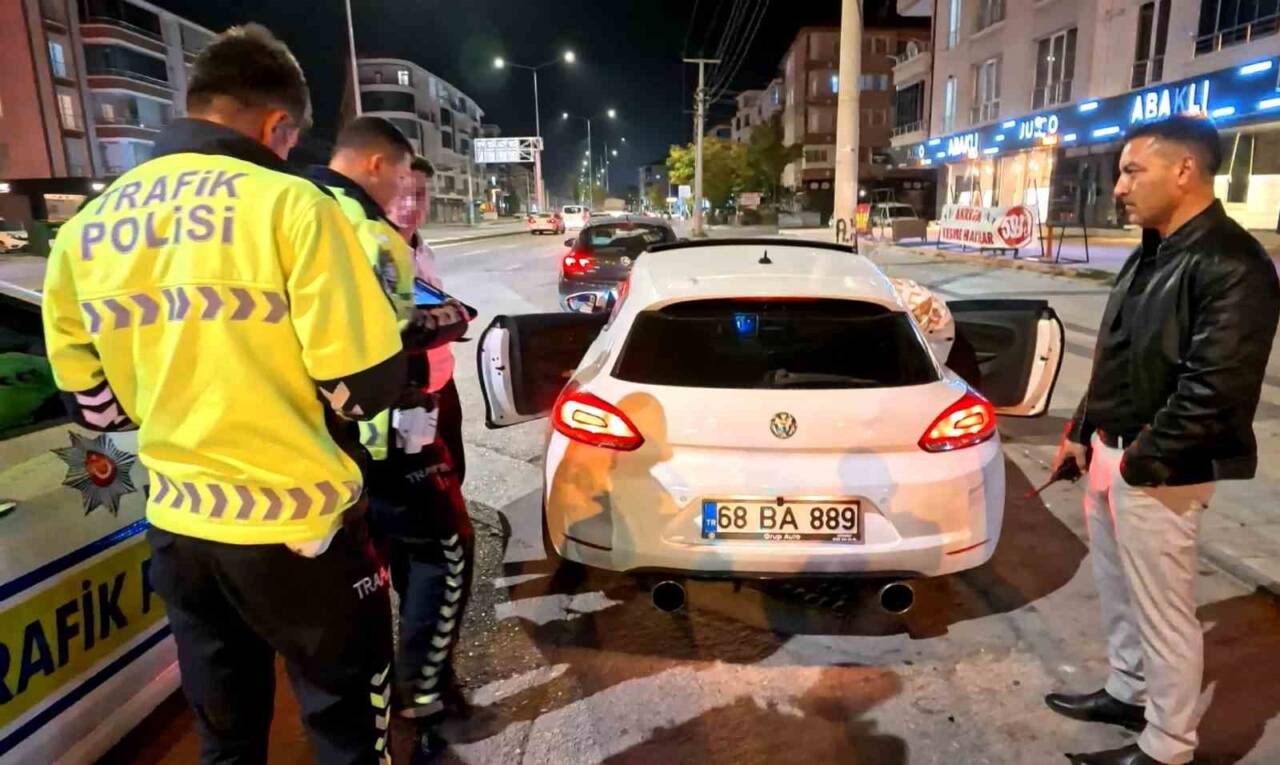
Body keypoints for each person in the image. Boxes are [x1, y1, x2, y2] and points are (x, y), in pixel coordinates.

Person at [41, 24, 405, 764]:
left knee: (227, 741)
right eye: (290, 136)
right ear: (277, 125)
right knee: (347, 734)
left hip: (181, 528)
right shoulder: (293, 206)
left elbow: (96, 409)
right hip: (300, 532)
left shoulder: (86, 228)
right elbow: (364, 389)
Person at [1045, 114, 1280, 765]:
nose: (1118, 186)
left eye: (1131, 170)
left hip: (1162, 467)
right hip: (1113, 454)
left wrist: (1140, 461)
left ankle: (1169, 744)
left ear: (1184, 171)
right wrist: (1081, 433)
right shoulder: (1152, 250)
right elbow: (1116, 356)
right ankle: (1128, 689)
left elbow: (1215, 390)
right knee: (1121, 592)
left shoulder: (1232, 263)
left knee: (1166, 611)